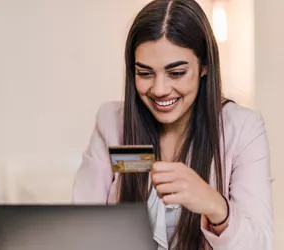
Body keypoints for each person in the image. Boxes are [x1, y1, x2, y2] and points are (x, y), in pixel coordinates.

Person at [71, 0, 274, 249]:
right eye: (145, 73)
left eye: (176, 73)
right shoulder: (111, 123)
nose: (160, 89)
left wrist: (215, 206)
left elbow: (260, 244)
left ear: (204, 66)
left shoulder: (243, 129)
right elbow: (80, 230)